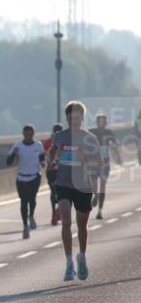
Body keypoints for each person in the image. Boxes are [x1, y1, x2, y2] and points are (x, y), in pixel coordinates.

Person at [47, 101, 103, 281]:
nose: (75, 120)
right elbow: (51, 156)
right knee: (65, 222)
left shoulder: (89, 138)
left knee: (82, 226)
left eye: (79, 117)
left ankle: (82, 257)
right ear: (68, 117)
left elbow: (99, 163)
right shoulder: (60, 136)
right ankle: (69, 263)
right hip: (63, 184)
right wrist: (54, 152)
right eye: (72, 117)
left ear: (82, 118)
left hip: (83, 186)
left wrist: (84, 157)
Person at [6, 124, 45, 238]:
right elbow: (8, 162)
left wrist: (43, 163)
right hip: (21, 178)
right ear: (23, 134)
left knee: (32, 199)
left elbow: (42, 158)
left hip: (34, 176)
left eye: (31, 134)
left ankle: (31, 216)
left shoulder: (38, 145)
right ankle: (25, 226)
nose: (28, 136)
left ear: (33, 134)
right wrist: (14, 153)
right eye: (26, 134)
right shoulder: (17, 145)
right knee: (24, 201)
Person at [88, 113, 121, 220]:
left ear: (106, 122)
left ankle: (100, 211)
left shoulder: (109, 132)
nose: (101, 123)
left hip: (105, 163)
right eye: (99, 121)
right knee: (94, 186)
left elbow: (116, 142)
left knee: (102, 186)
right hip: (93, 162)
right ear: (97, 122)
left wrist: (113, 145)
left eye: (103, 121)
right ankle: (95, 195)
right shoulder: (92, 131)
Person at [42, 123, 63, 226]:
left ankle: (56, 212)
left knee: (54, 192)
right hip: (57, 170)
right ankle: (56, 212)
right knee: (59, 192)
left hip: (52, 170)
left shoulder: (47, 142)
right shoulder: (64, 141)